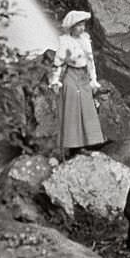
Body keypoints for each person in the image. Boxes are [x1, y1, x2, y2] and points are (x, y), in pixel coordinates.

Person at [49, 10, 104, 158]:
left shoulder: (85, 40)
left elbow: (91, 62)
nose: (82, 28)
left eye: (83, 25)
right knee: (72, 110)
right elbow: (58, 63)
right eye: (78, 25)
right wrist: (55, 80)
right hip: (71, 75)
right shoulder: (65, 41)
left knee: (87, 109)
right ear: (72, 27)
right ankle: (74, 147)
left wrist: (93, 79)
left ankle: (87, 143)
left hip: (83, 76)